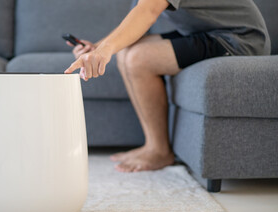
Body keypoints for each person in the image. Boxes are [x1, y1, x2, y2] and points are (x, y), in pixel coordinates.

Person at [64, 0, 270, 173]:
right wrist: (97, 48)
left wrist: (104, 51)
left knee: (138, 59)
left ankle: (160, 151)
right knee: (127, 51)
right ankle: (152, 145)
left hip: (239, 38)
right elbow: (136, 19)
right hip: (209, 31)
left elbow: (148, 12)